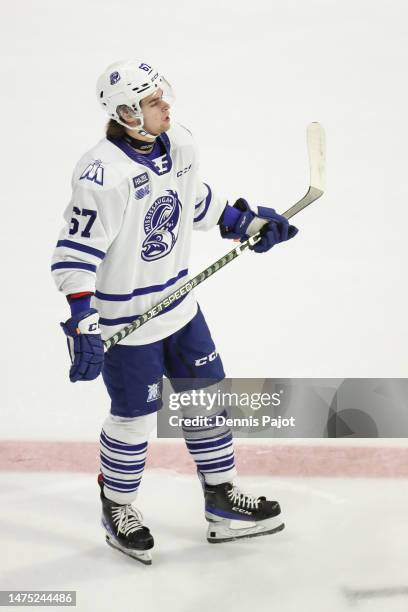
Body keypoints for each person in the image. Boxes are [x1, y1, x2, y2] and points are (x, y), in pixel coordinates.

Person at [51, 59, 298, 565]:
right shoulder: (102, 175)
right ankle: (117, 506)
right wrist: (83, 319)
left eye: (163, 95)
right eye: (152, 101)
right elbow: (74, 254)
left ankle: (222, 500)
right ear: (126, 114)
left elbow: (193, 202)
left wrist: (243, 221)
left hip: (180, 308)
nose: (166, 105)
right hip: (128, 323)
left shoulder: (180, 141)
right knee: (135, 421)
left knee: (207, 401)